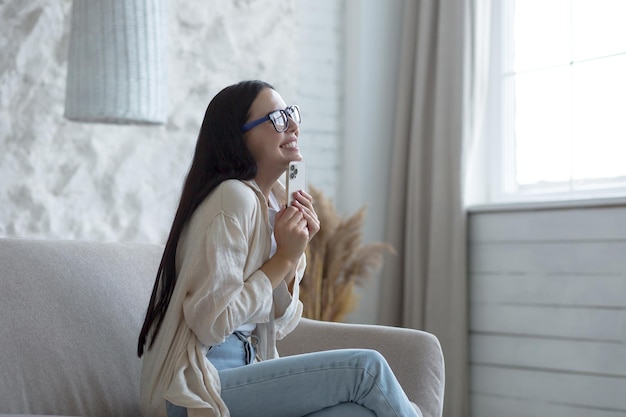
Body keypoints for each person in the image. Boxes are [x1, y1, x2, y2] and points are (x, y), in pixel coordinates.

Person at [137, 80, 421, 417]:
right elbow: (211, 323)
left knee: (357, 413)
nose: (293, 125)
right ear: (239, 138)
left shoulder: (276, 205)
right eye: (276, 118)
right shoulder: (232, 198)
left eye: (291, 113)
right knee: (366, 369)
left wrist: (293, 255)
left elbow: (281, 324)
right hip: (198, 385)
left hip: (250, 367)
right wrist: (283, 258)